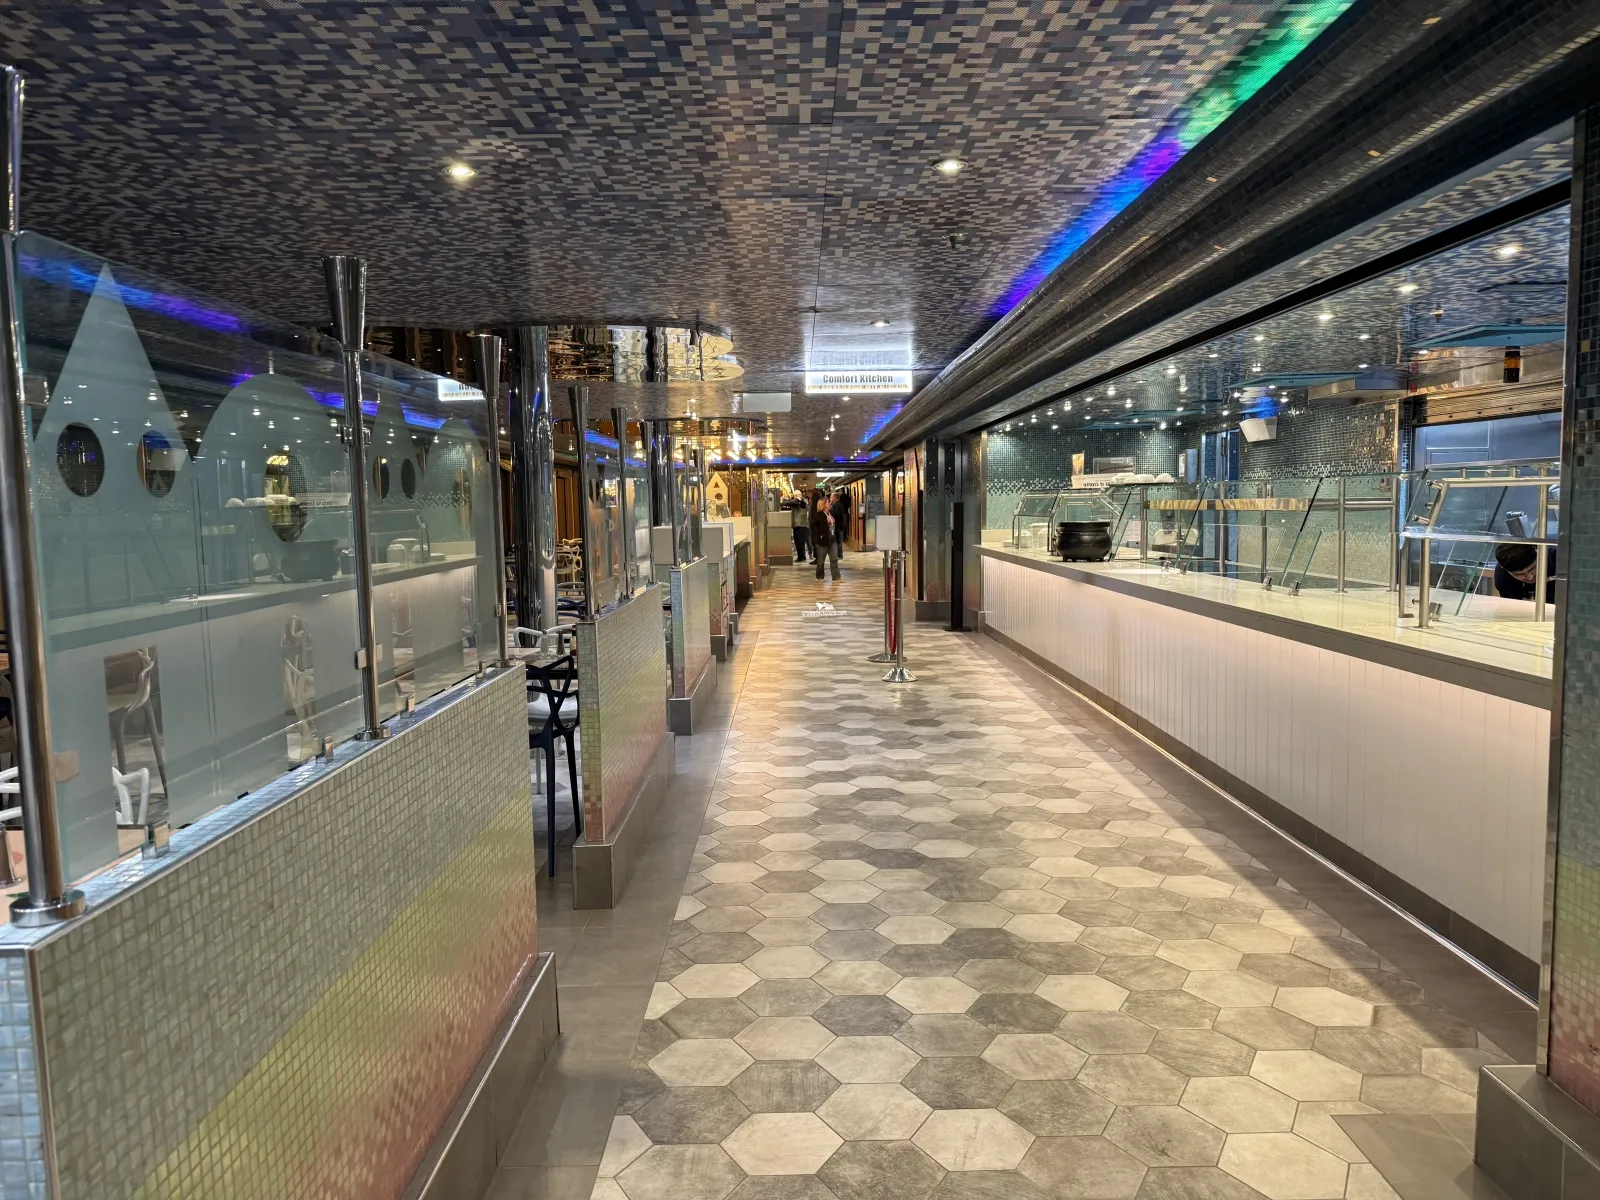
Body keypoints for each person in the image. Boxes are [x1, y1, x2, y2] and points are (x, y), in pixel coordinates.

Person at [810, 490, 840, 581]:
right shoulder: (817, 515)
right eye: (827, 502)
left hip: (832, 539)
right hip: (822, 541)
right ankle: (820, 577)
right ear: (823, 504)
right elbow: (813, 527)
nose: (829, 503)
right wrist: (820, 535)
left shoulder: (831, 513)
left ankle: (836, 577)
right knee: (821, 561)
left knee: (834, 559)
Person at [786, 495, 809, 563]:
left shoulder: (802, 503)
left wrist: (798, 499)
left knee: (800, 542)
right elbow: (789, 503)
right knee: (797, 542)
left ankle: (802, 557)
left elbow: (789, 502)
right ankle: (800, 557)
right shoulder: (796, 504)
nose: (795, 497)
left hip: (801, 525)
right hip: (796, 525)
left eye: (797, 495)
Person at [830, 490, 850, 556]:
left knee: (839, 540)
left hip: (839, 526)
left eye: (831, 497)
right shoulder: (835, 505)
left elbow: (837, 514)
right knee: (838, 540)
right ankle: (838, 553)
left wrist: (830, 510)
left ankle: (839, 554)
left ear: (835, 498)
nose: (830, 498)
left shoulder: (838, 505)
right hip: (838, 526)